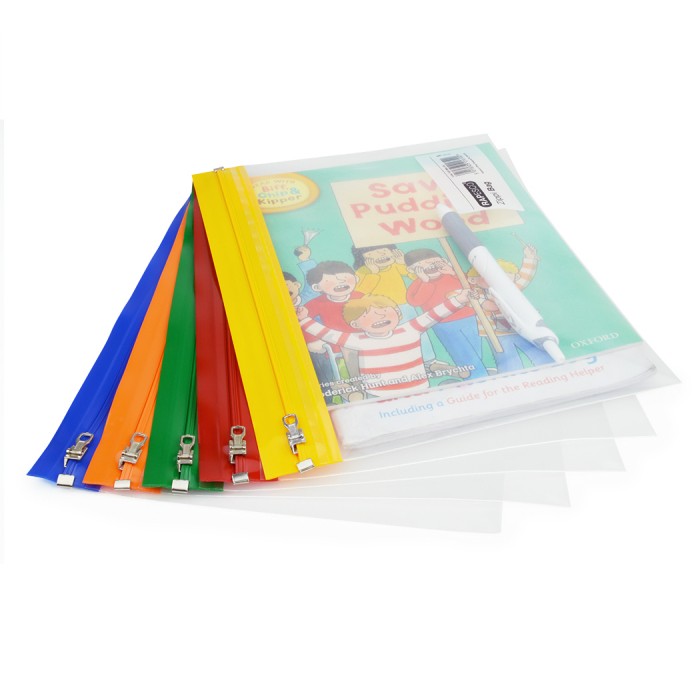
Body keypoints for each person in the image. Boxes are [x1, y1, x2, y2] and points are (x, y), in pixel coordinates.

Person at [297, 291, 471, 399]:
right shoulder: (356, 339)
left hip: (419, 389)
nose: (380, 316)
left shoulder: (410, 329)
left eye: (385, 311)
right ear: (355, 324)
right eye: (368, 315)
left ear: (398, 314)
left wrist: (460, 299)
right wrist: (303, 320)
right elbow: (328, 334)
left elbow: (434, 314)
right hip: (379, 394)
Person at [467, 243, 552, 372]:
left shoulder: (512, 288)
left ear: (514, 276)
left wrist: (529, 258)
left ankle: (550, 373)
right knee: (509, 363)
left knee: (540, 358)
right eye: (482, 277)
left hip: (527, 331)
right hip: (497, 333)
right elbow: (488, 306)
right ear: (473, 280)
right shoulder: (478, 294)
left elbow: (525, 275)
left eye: (507, 274)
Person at [405, 248, 488, 379]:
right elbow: (415, 301)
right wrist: (425, 281)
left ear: (444, 261)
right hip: (444, 324)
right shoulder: (419, 284)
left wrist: (453, 272)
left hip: (470, 317)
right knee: (461, 352)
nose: (431, 265)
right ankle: (476, 376)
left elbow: (472, 287)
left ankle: (478, 372)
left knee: (476, 349)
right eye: (423, 264)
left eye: (435, 261)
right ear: (412, 270)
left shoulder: (455, 275)